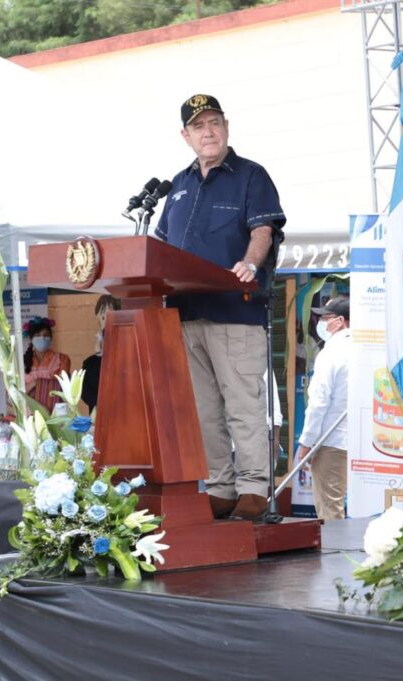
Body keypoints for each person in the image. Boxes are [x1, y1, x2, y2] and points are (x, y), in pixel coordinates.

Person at [154, 94, 286, 521]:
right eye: (198, 126)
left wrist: (250, 263)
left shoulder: (251, 175)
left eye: (214, 123)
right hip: (186, 314)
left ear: (226, 126)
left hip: (235, 312)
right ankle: (220, 488)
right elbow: (160, 247)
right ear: (185, 136)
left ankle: (253, 488)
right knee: (204, 411)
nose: (208, 132)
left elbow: (263, 230)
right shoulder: (177, 186)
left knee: (243, 406)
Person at [295, 297, 350, 520]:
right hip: (357, 442)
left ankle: (335, 544)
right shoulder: (364, 349)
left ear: (339, 321)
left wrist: (305, 444)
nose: (320, 323)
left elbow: (318, 402)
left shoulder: (331, 352)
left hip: (331, 440)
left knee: (329, 510)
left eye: (325, 318)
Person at [23, 316, 72, 414]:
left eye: (45, 335)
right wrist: (35, 383)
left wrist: (38, 383)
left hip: (55, 412)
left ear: (51, 338)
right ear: (31, 339)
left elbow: (63, 386)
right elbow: (16, 392)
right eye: (37, 335)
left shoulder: (62, 359)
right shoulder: (22, 361)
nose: (42, 338)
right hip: (29, 413)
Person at [81, 295, 116, 412]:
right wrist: (101, 403)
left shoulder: (127, 360)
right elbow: (85, 392)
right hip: (99, 413)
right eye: (103, 317)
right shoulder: (90, 364)